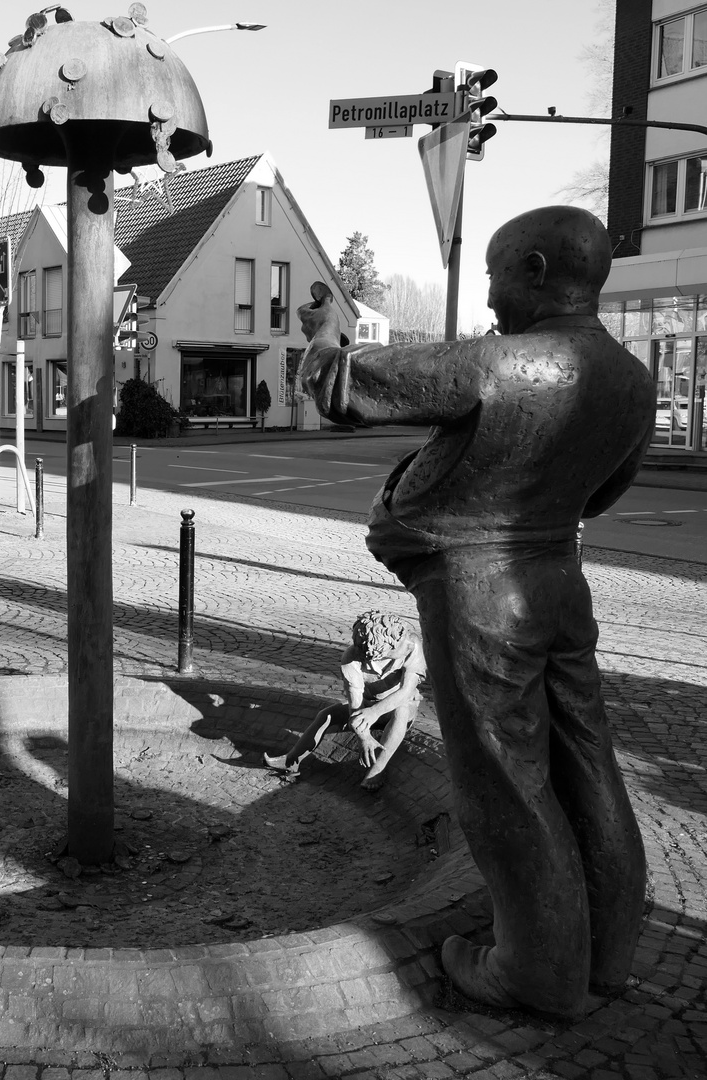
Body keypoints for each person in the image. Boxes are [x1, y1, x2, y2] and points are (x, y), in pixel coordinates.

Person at [297, 206, 653, 1020]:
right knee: (587, 769)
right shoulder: (630, 380)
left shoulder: (501, 363)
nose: (489, 299)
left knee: (503, 784)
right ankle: (605, 958)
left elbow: (341, 389)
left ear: (532, 268)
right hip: (559, 581)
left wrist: (325, 332)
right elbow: (603, 493)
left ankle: (536, 972)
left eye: (494, 276)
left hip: (479, 593)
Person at [264, 611, 424, 790]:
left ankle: (377, 769)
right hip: (367, 707)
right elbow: (355, 705)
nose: (407, 644)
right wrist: (363, 736)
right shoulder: (351, 660)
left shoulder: (411, 644)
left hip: (401, 705)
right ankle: (291, 760)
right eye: (398, 646)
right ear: (378, 652)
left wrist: (374, 712)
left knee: (401, 710)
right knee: (326, 716)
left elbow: (405, 691)